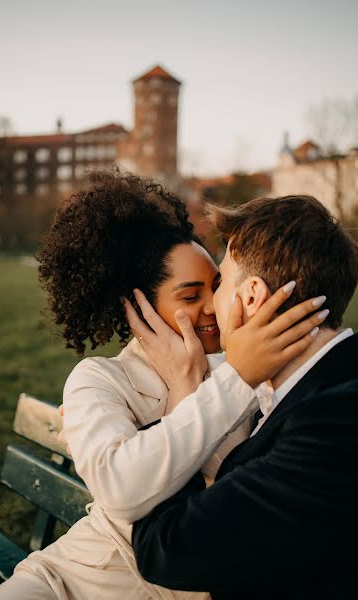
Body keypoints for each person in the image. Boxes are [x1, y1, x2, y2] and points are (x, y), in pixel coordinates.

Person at [0, 173, 320, 600]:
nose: (211, 308)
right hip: (73, 580)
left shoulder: (240, 374)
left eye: (216, 287)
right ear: (140, 304)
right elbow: (123, 492)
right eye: (189, 296)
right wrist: (200, 389)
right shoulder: (100, 379)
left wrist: (208, 383)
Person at [127, 194, 358, 599]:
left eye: (219, 284)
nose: (212, 307)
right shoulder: (314, 389)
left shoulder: (331, 426)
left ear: (250, 297)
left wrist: (185, 396)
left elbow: (167, 549)